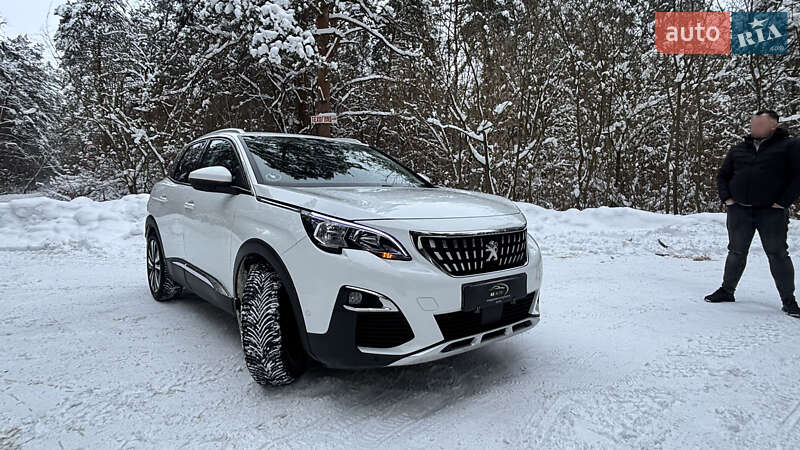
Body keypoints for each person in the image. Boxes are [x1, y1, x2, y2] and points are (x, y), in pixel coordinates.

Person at [705, 110, 800, 318]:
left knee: (777, 254)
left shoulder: (788, 146)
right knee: (736, 251)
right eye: (753, 124)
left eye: (759, 125)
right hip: (740, 210)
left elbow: (797, 177)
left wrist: (782, 203)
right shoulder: (739, 149)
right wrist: (727, 200)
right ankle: (727, 290)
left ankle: (789, 301)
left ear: (773, 126)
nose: (754, 128)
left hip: (771, 212)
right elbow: (723, 175)